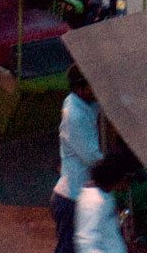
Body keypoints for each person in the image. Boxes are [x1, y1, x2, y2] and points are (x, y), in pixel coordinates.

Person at [47, 66, 100, 253]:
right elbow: (93, 158)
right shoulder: (74, 115)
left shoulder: (87, 104)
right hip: (71, 200)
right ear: (80, 89)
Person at [73, 157, 132, 253]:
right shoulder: (92, 203)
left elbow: (106, 224)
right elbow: (86, 242)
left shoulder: (105, 194)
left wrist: (123, 216)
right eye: (125, 178)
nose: (127, 182)